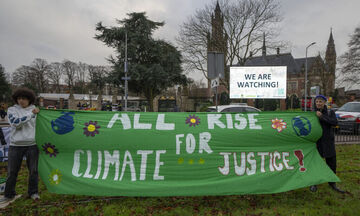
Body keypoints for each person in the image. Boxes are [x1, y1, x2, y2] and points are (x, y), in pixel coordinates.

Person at [0, 88, 41, 205]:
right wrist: (31, 113)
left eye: (24, 98)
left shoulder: (36, 110)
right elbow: (16, 123)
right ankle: (9, 194)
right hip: (15, 146)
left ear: (29, 99)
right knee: (12, 171)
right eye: (19, 98)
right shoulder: (12, 110)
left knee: (33, 171)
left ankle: (33, 192)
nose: (21, 101)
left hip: (32, 145)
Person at [310, 95, 345, 193]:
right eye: (317, 101)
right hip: (317, 143)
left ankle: (332, 183)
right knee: (316, 164)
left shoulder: (330, 112)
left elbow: (334, 123)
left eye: (320, 101)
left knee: (331, 164)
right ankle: (314, 183)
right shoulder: (312, 114)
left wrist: (322, 117)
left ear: (324, 102)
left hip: (328, 142)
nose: (318, 103)